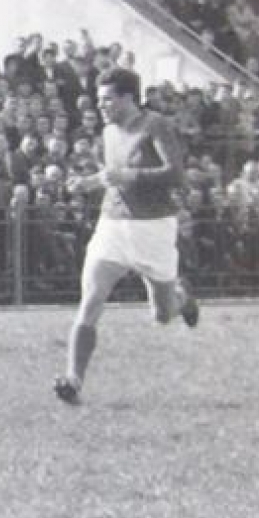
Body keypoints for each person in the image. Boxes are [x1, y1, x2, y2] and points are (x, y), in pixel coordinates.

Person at [53, 67, 200, 405]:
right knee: (91, 299)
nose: (100, 106)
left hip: (153, 227)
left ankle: (181, 298)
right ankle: (73, 380)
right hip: (113, 225)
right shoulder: (108, 132)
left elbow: (175, 174)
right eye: (99, 99)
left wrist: (129, 175)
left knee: (161, 316)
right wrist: (89, 182)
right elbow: (113, 175)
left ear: (128, 98)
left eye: (107, 100)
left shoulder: (155, 125)